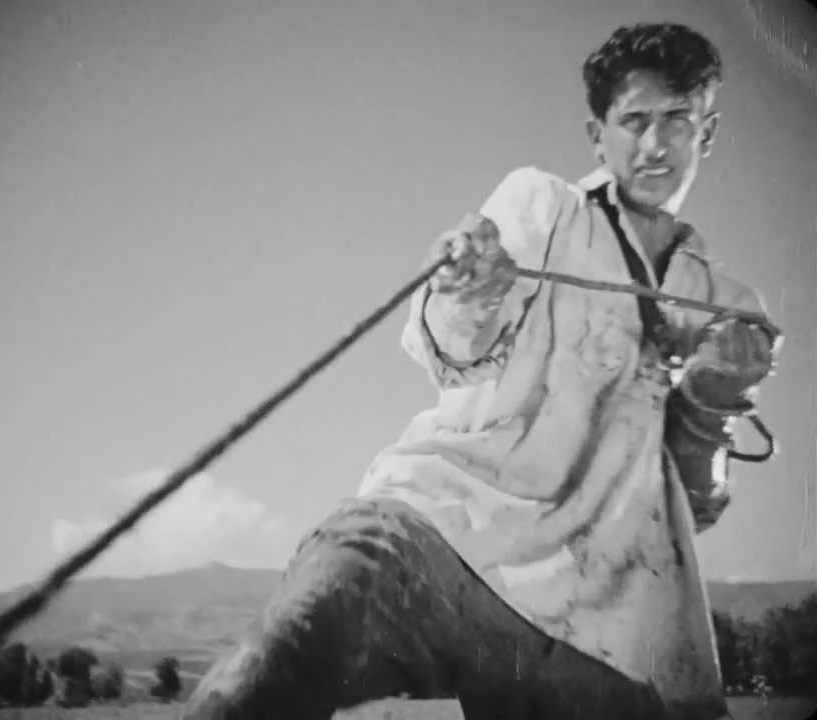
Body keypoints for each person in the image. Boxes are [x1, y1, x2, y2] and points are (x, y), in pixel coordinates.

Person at [182, 21, 781, 720]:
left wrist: (710, 404)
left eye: (677, 120)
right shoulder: (543, 205)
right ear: (598, 136)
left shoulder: (725, 302)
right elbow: (454, 351)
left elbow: (692, 505)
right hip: (438, 530)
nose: (655, 145)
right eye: (634, 121)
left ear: (708, 132)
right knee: (266, 672)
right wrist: (470, 287)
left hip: (599, 621)